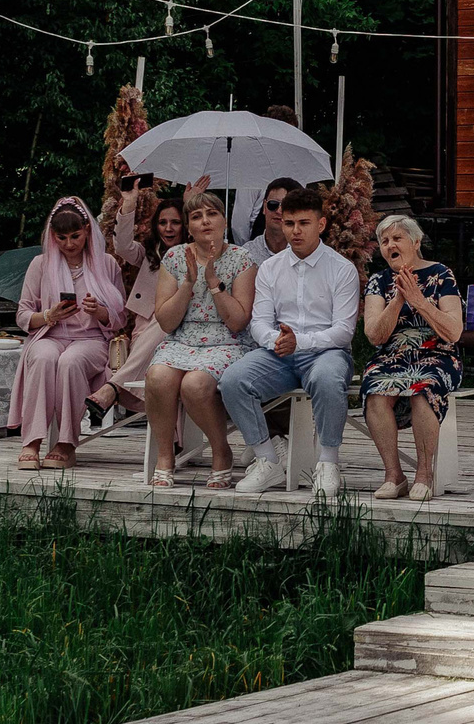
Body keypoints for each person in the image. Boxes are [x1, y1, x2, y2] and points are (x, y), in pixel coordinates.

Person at [221, 185, 361, 495]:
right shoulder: (270, 268)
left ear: (320, 224)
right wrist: (276, 342)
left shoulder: (342, 269)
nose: (295, 231)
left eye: (303, 223)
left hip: (326, 352)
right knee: (232, 380)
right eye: (289, 223)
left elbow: (343, 331)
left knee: (327, 378)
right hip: (279, 354)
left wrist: (302, 342)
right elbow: (258, 322)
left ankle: (327, 463)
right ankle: (267, 460)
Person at [144, 191, 257, 488]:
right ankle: (165, 456)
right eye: (196, 216)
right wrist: (189, 284)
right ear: (189, 226)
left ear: (223, 221)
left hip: (227, 340)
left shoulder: (242, 259)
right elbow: (166, 321)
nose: (205, 221)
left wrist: (214, 285)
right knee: (157, 376)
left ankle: (221, 451)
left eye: (212, 214)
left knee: (195, 384)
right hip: (182, 338)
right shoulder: (174, 257)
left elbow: (239, 320)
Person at [9, 199, 126, 469]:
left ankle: (66, 442)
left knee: (70, 362)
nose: (70, 244)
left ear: (87, 230)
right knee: (42, 357)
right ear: (53, 236)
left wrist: (99, 312)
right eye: (62, 238)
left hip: (91, 339)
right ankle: (32, 440)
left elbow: (121, 320)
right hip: (50, 335)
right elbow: (23, 315)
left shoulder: (107, 264)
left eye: (75, 236)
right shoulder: (40, 264)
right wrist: (48, 316)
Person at [359, 214, 466, 500]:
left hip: (437, 354)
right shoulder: (379, 281)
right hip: (391, 355)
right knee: (375, 390)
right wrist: (398, 300)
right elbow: (374, 335)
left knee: (423, 387)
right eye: (384, 241)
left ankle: (424, 474)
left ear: (415, 242)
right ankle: (394, 475)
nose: (389, 245)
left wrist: (419, 300)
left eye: (397, 238)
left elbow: (454, 331)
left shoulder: (441, 274)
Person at [90, 194, 188, 426]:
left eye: (175, 222)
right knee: (158, 326)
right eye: (163, 222)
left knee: (164, 321)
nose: (168, 228)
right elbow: (122, 245)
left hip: (183, 332)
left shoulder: (193, 252)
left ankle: (114, 386)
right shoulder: (149, 253)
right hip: (146, 334)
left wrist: (193, 203)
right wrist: (130, 203)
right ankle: (173, 439)